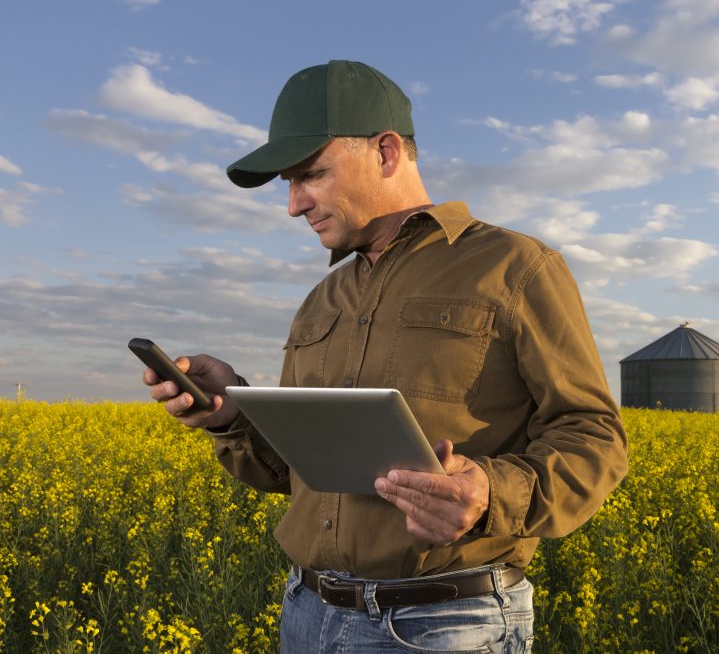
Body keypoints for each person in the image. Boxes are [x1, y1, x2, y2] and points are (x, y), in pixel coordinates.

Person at [144, 60, 628, 653]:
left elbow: (595, 436)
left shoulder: (516, 268)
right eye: (288, 186)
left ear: (388, 152)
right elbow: (296, 473)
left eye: (311, 176)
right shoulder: (321, 301)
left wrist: (487, 496)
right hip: (307, 614)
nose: (294, 205)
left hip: (446, 625)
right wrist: (230, 414)